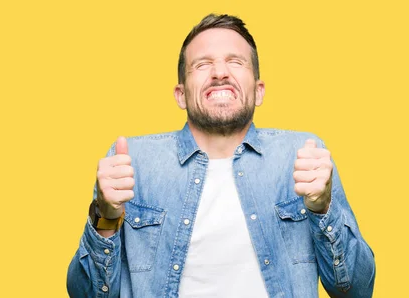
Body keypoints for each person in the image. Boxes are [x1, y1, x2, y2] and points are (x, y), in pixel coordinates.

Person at [66, 13, 375, 298]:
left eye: (235, 62)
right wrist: (105, 218)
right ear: (181, 94)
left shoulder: (304, 155)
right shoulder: (132, 162)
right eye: (202, 64)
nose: (220, 73)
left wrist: (323, 210)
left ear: (259, 90)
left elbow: (356, 290)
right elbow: (86, 294)